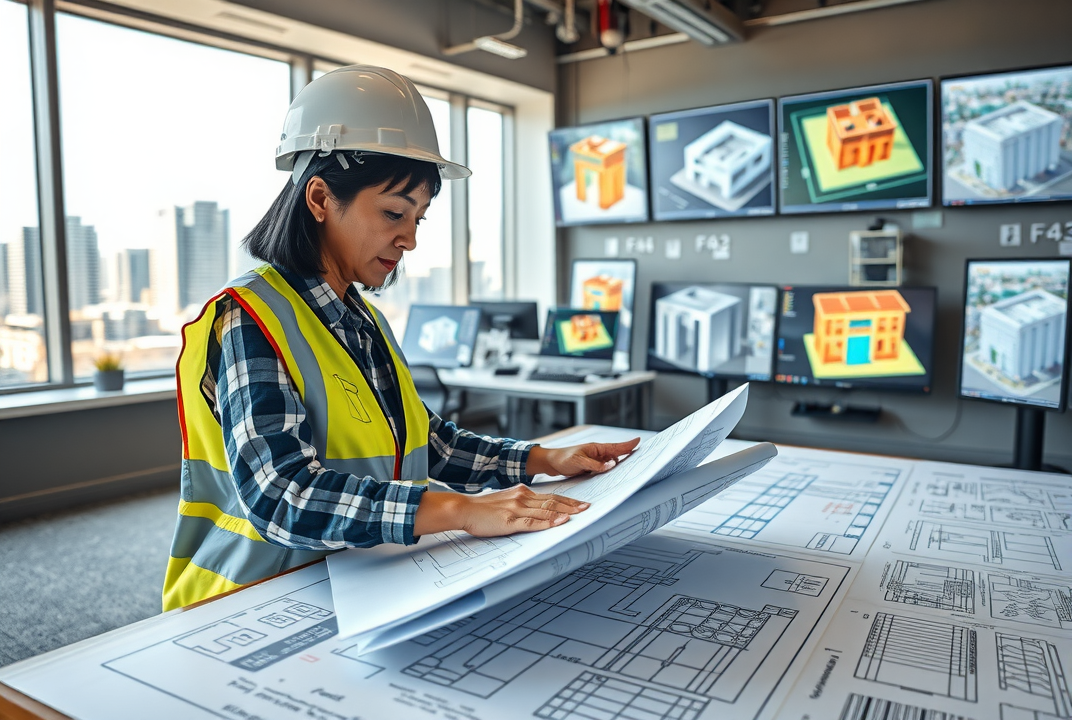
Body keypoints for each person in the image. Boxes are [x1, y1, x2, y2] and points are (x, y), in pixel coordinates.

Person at [163, 65, 639, 611]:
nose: (409, 239)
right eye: (394, 213)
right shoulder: (249, 318)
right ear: (319, 198)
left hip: (359, 580)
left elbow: (428, 445)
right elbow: (282, 495)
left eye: (419, 219)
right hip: (254, 599)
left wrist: (547, 459)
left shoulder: (361, 318)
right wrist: (458, 510)